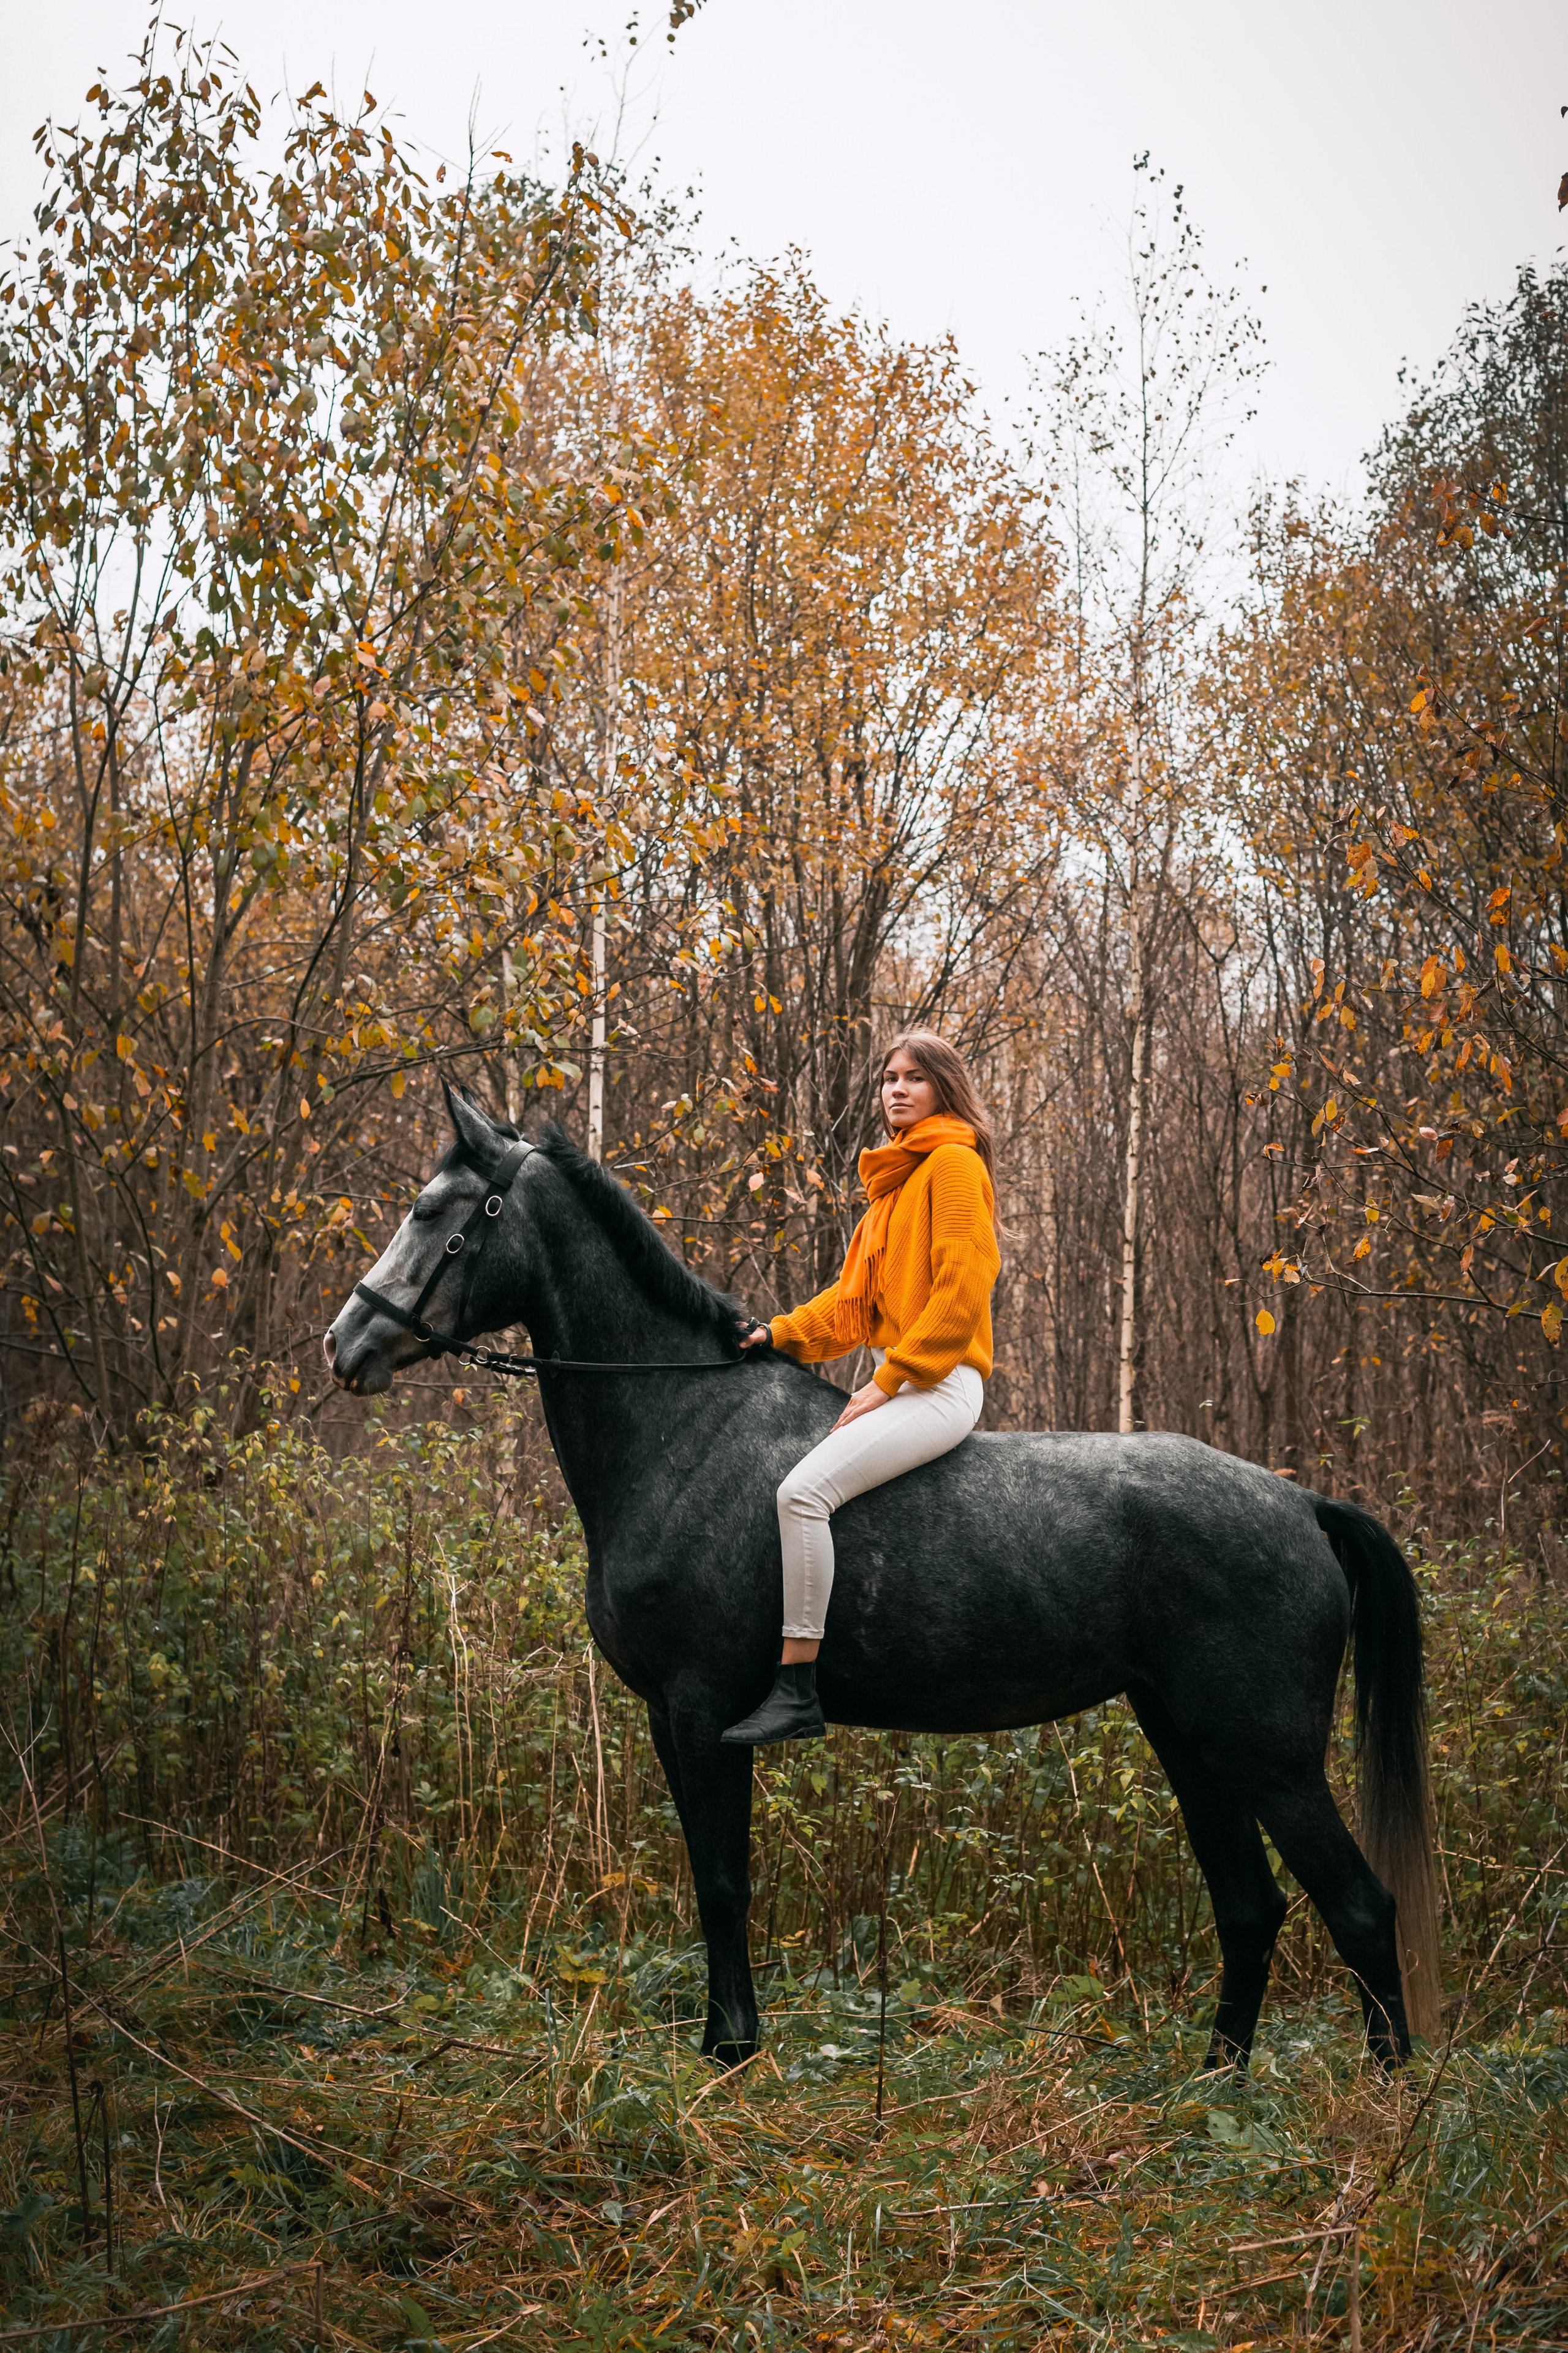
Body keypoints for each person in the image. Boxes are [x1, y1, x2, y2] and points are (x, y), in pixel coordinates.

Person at [722, 1030, 1001, 1745]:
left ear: (944, 1087)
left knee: (801, 1492)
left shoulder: (953, 1166)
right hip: (906, 1382)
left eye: (914, 1078)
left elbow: (963, 1286)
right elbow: (849, 1307)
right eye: (889, 1078)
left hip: (942, 1384)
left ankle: (796, 1689)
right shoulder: (892, 1188)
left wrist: (892, 1377)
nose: (897, 1089)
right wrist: (778, 1334)